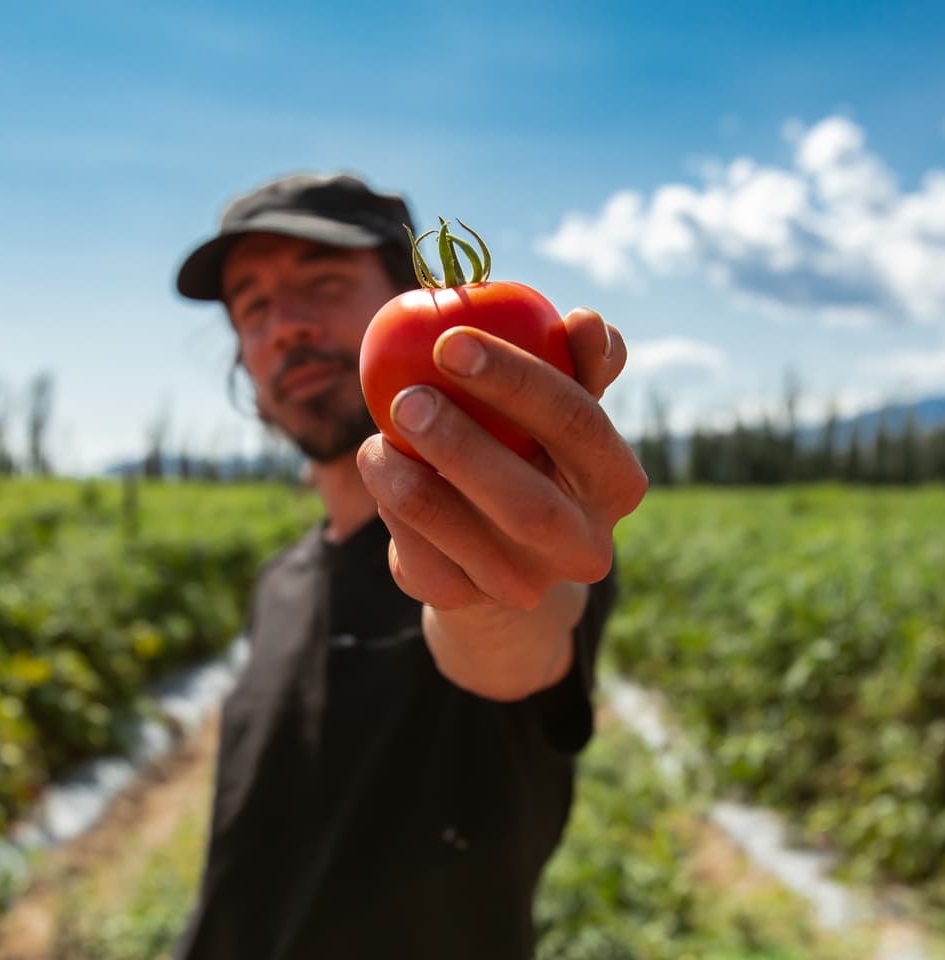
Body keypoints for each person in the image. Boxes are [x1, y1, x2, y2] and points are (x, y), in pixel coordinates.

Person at [170, 172, 647, 959]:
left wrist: (489, 590)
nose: (285, 326)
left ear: (414, 305)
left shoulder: (537, 553)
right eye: (253, 307)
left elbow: (516, 635)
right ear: (246, 370)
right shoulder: (281, 582)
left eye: (323, 283)